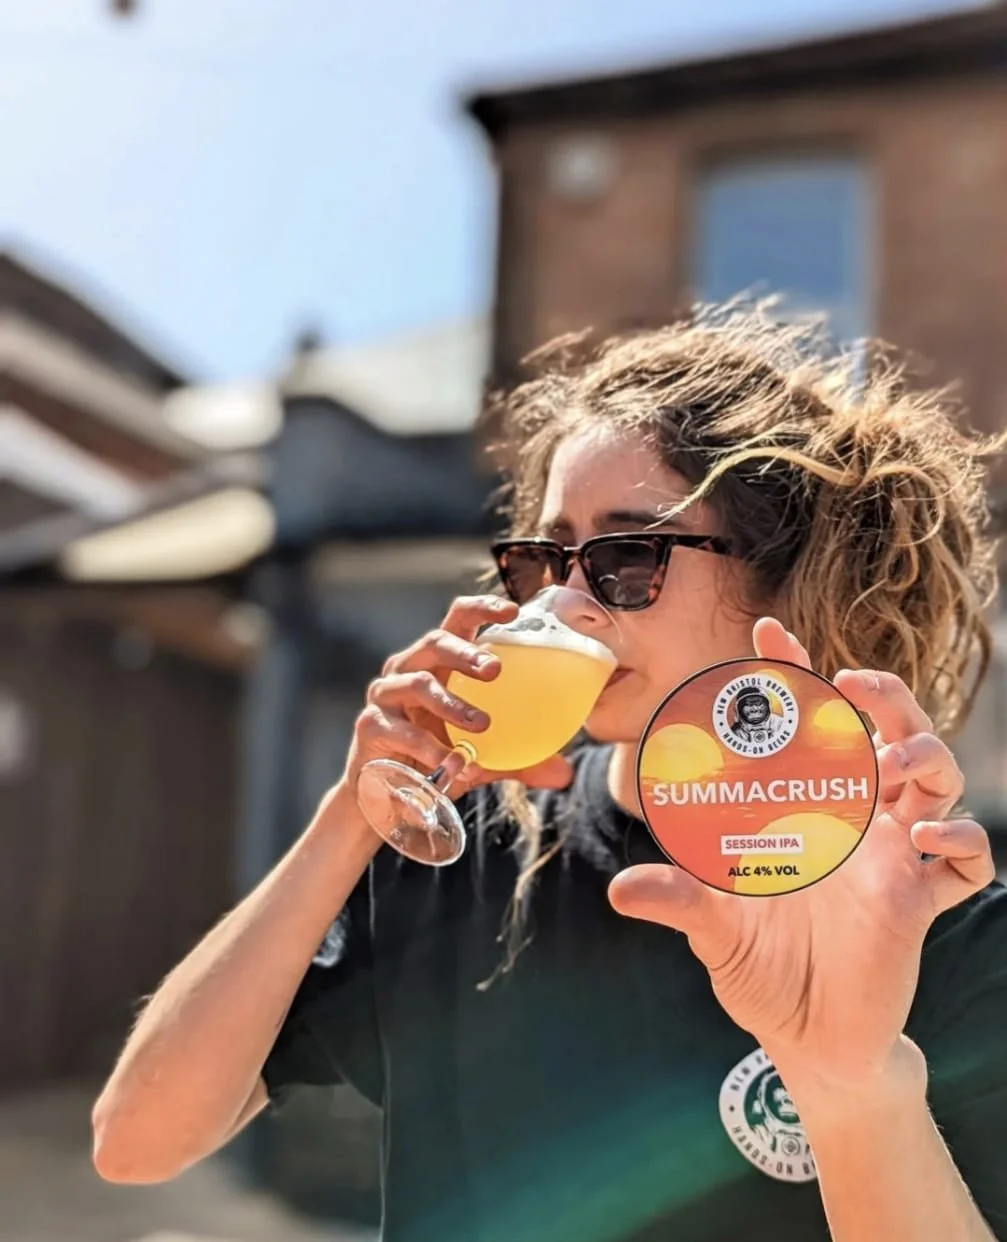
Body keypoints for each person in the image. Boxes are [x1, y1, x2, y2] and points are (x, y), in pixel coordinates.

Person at [92, 309, 1007, 1242]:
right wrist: (347, 819)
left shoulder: (922, 919)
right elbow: (137, 1142)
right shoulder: (473, 850)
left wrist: (851, 1089)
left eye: (623, 558)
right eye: (542, 561)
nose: (568, 602)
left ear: (784, 581)